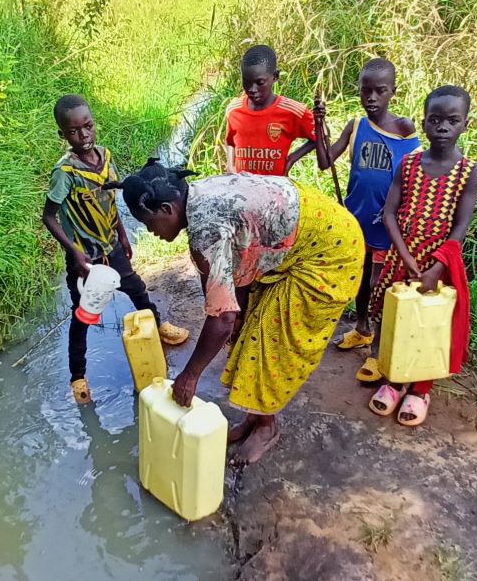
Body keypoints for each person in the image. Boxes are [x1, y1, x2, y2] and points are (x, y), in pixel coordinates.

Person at [108, 160, 363, 464]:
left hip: (330, 252)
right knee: (249, 320)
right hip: (315, 226)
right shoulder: (198, 196)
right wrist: (236, 311)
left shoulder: (206, 229)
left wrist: (190, 375)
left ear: (167, 209)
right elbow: (236, 270)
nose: (151, 232)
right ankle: (254, 420)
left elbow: (223, 317)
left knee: (271, 337)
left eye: (148, 224)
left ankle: (266, 428)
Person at [41, 95, 189, 404]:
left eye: (88, 127)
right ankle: (78, 377)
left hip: (112, 247)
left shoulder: (106, 158)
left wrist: (122, 235)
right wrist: (75, 253)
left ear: (94, 125)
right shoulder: (65, 173)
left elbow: (111, 203)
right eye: (73, 131)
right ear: (63, 135)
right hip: (86, 259)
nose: (83, 136)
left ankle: (158, 325)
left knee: (136, 288)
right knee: (83, 316)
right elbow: (49, 216)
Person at [366, 85, 477, 427]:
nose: (443, 127)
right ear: (424, 123)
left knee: (427, 326)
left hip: (437, 267)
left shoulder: (467, 172)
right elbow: (389, 213)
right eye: (435, 120)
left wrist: (436, 267)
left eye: (452, 120)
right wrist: (404, 256)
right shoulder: (409, 163)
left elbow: (461, 226)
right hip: (402, 261)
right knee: (394, 320)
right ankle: (393, 381)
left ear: (465, 124)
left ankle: (420, 389)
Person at [313, 58, 420, 381]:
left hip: (386, 224)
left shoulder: (405, 130)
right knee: (360, 281)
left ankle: (378, 354)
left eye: (380, 91)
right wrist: (319, 127)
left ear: (393, 92)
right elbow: (324, 161)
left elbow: (413, 176)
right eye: (365, 91)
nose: (372, 98)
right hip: (356, 221)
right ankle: (362, 328)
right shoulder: (356, 126)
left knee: (379, 284)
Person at [223, 45, 323, 176]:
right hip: (243, 190)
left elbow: (320, 135)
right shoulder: (234, 109)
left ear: (275, 76)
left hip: (274, 189)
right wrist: (230, 167)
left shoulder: (292, 111)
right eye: (246, 82)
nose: (252, 89)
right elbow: (230, 141)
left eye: (260, 82)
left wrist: (292, 158)